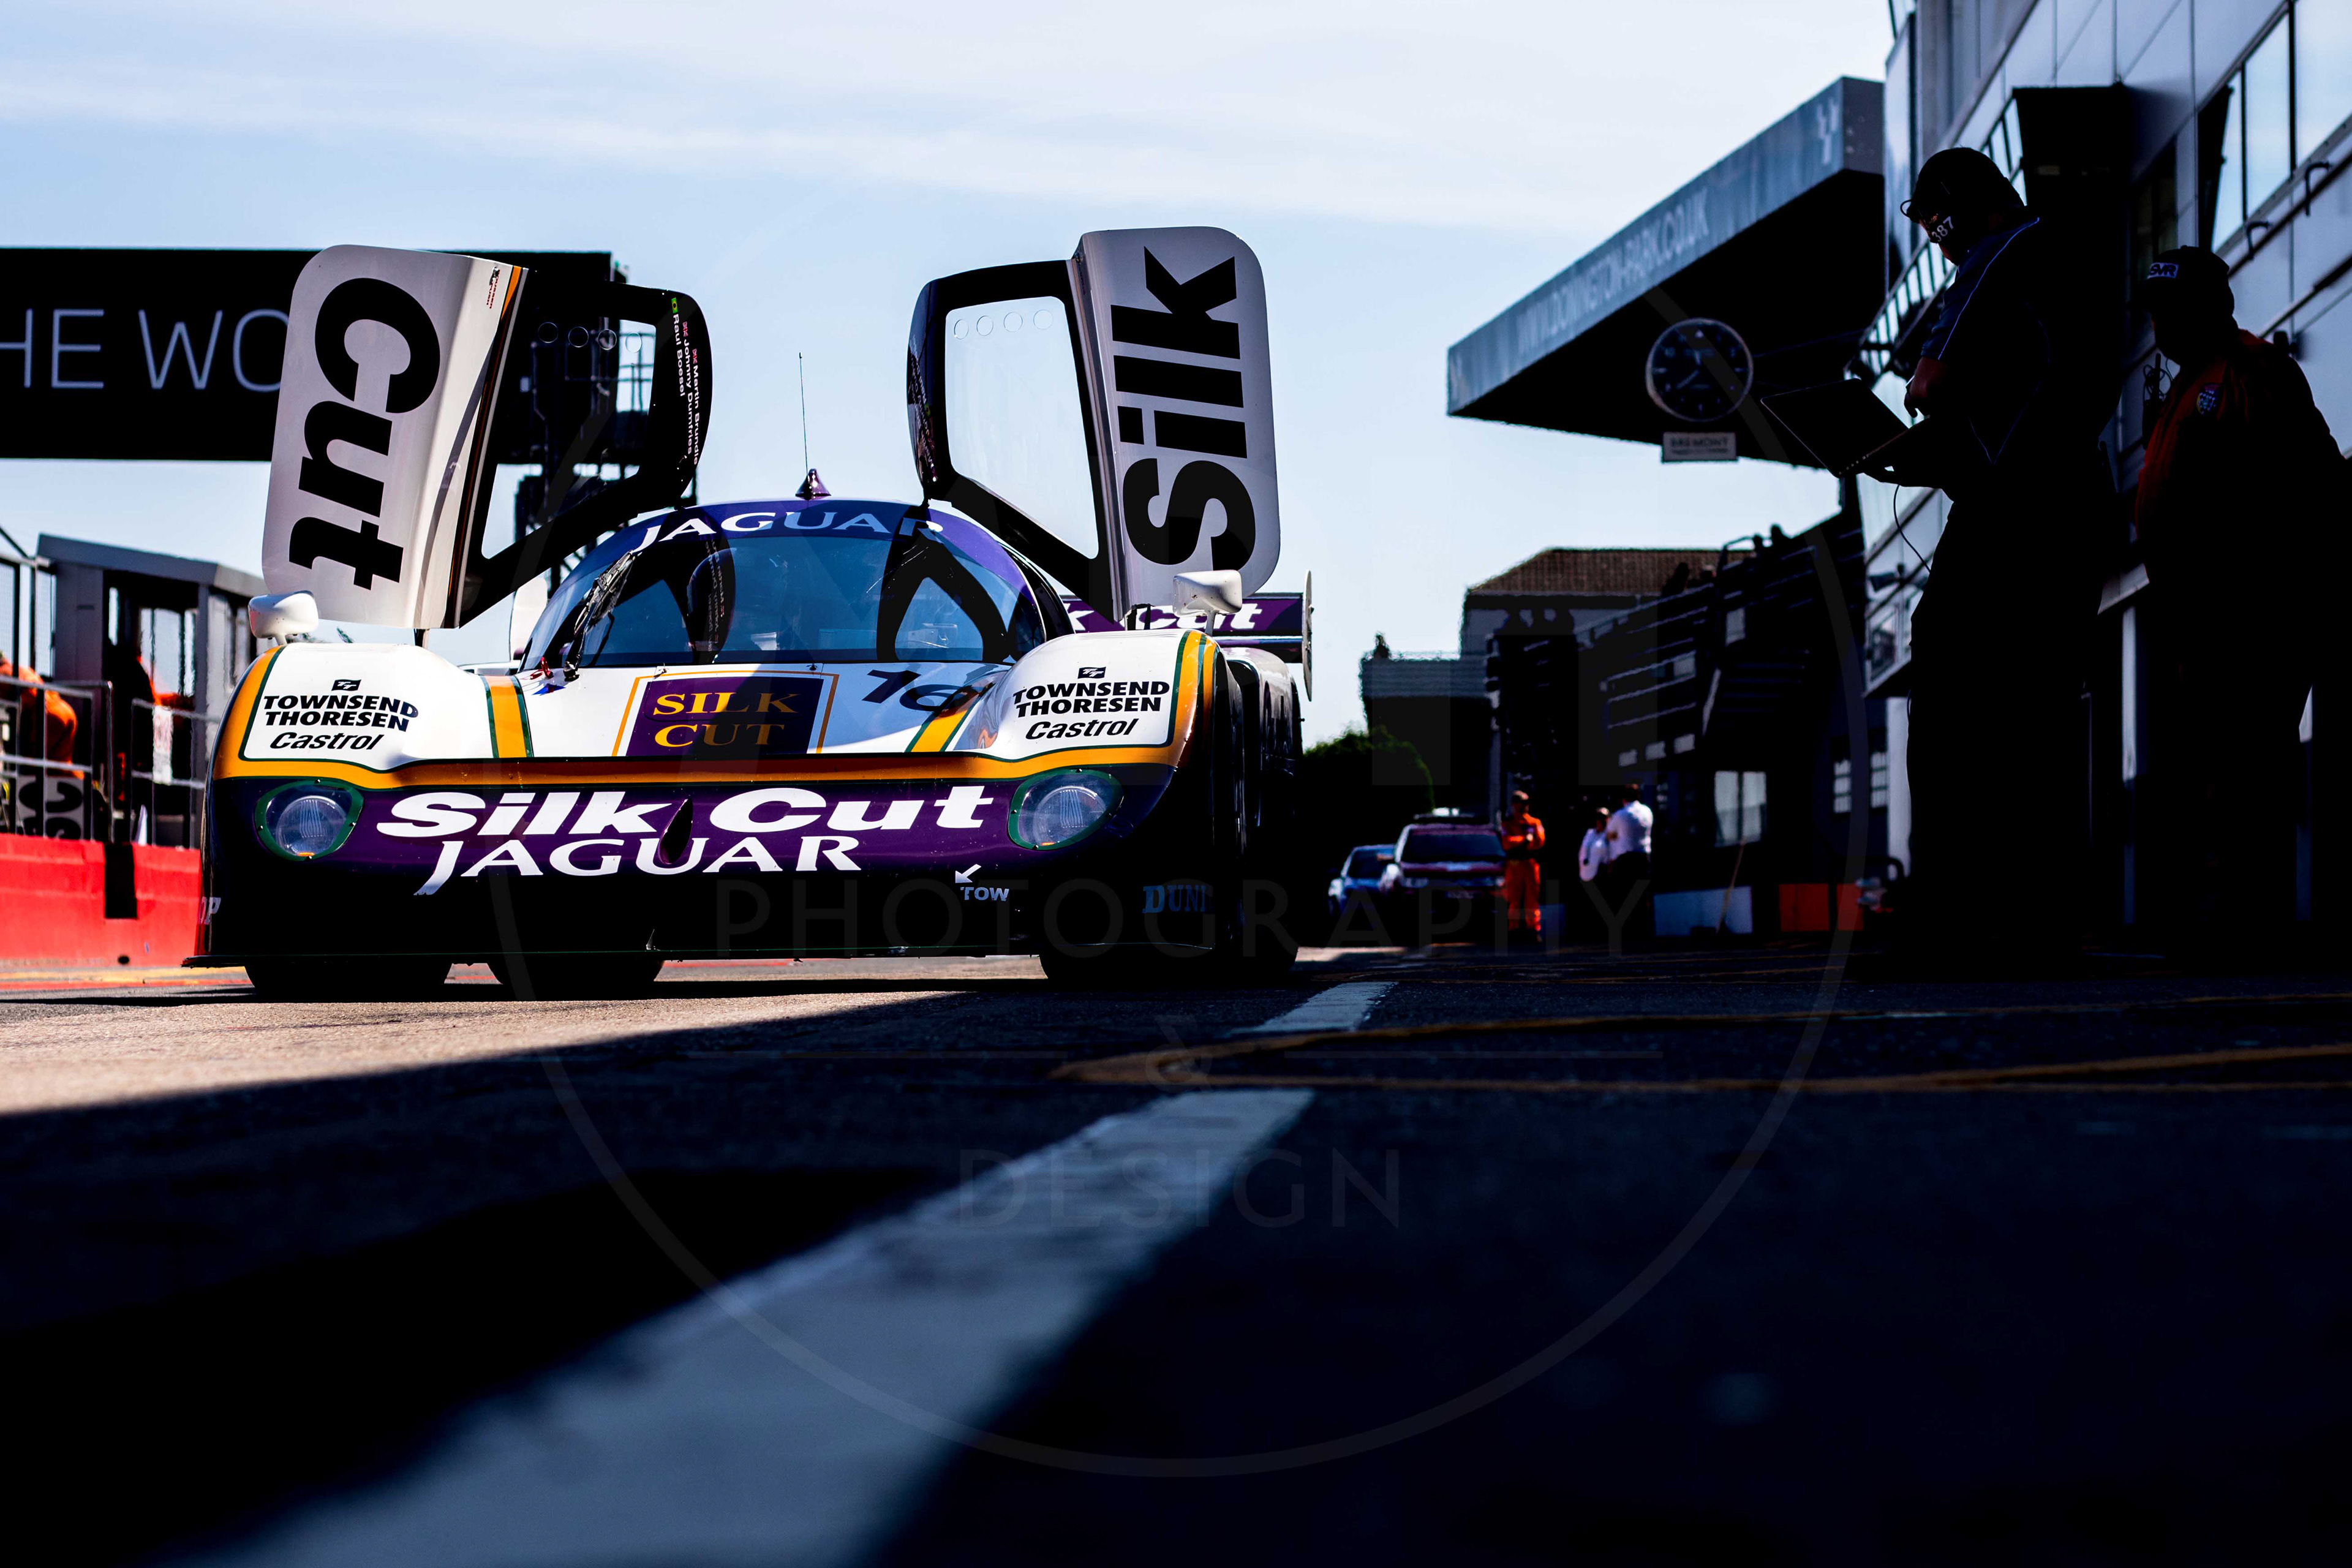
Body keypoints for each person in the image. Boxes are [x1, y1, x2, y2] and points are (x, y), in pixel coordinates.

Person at [1890, 146, 2114, 956]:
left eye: (1938, 226)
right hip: (2067, 501)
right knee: (2040, 703)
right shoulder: (2063, 266)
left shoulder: (2006, 251)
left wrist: (1918, 411)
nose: (1941, 245)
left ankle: (1951, 908)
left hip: (2014, 509)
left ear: (1962, 211)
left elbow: (1930, 382)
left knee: (1952, 684)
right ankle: (2040, 912)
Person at [2134, 247, 2343, 941]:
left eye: (2174, 309)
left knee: (2246, 769)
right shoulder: (2187, 384)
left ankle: (2248, 923)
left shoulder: (2254, 372)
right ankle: (2228, 916)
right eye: (2156, 312)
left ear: (2214, 308)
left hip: (2251, 615)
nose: (2161, 325)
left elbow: (2304, 487)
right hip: (2202, 619)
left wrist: (2263, 595)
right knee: (2218, 770)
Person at [1602, 783, 1654, 935]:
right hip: (1644, 857)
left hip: (1626, 859)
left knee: (1624, 894)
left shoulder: (1621, 815)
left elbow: (1609, 835)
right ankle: (1644, 928)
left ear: (1624, 798)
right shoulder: (1647, 811)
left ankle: (1627, 931)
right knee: (1642, 894)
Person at [1499, 790, 1545, 940]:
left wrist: (1523, 843)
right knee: (1514, 897)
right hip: (1515, 864)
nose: (1525, 806)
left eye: (1526, 803)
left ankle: (1533, 929)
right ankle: (1514, 928)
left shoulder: (1534, 822)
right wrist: (1524, 840)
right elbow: (1507, 843)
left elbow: (1540, 841)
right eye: (1521, 803)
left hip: (1530, 863)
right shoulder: (1508, 823)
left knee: (1532, 896)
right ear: (1514, 804)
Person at [1577, 807, 1609, 885]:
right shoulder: (1590, 833)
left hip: (1599, 875)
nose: (1600, 820)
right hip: (1585, 873)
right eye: (1598, 817)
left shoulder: (1608, 836)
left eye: (1603, 818)